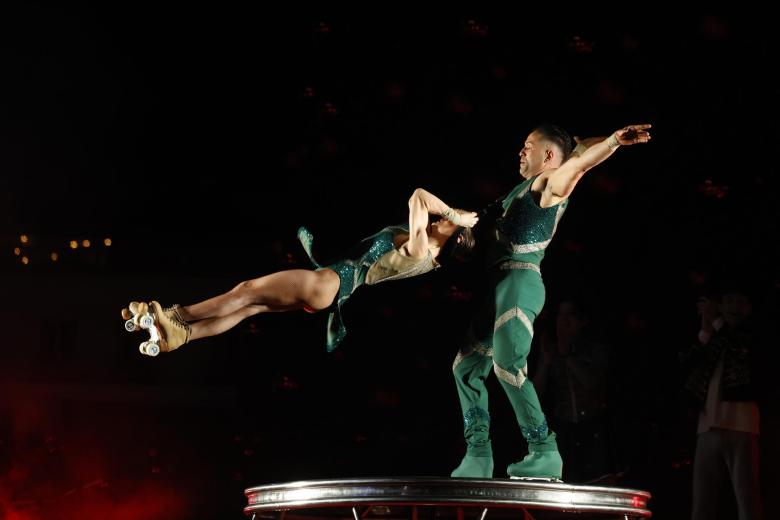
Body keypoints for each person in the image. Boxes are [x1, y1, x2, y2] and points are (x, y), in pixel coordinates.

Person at [451, 123, 651, 480]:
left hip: (520, 280)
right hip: (498, 285)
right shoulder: (518, 190)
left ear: (548, 156)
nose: (520, 151)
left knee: (507, 364)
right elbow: (577, 151)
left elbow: (578, 165)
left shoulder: (549, 184)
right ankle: (478, 455)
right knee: (466, 367)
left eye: (528, 145)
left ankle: (543, 450)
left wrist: (612, 142)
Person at [122, 188, 478, 354]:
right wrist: (455, 218)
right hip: (331, 291)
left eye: (449, 219)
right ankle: (180, 336)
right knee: (251, 307)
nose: (443, 216)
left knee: (246, 290)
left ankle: (174, 317)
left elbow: (419, 196)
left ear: (454, 237)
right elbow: (421, 206)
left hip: (327, 283)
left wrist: (457, 215)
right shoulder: (423, 250)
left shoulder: (421, 250)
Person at [682, 282, 765, 520]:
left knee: (746, 497)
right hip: (708, 425)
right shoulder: (716, 337)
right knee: (702, 502)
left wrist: (717, 324)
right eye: (728, 301)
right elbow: (689, 368)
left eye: (739, 301)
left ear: (749, 307)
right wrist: (706, 332)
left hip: (742, 424)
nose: (733, 307)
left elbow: (744, 354)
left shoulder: (753, 334)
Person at [533, 297, 611, 483]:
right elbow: (535, 394)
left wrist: (567, 355)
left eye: (570, 315)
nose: (563, 320)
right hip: (563, 432)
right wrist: (546, 362)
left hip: (595, 431)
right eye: (560, 315)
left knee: (596, 484)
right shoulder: (549, 350)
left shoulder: (596, 350)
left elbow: (594, 384)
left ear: (583, 321)